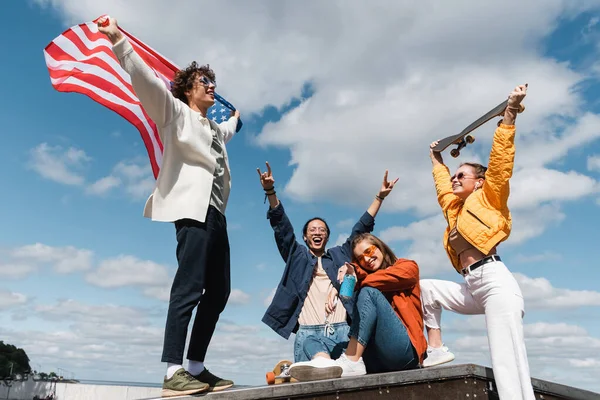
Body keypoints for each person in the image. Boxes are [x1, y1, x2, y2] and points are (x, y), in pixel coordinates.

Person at [98, 17, 240, 397]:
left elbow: (224, 131)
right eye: (203, 84)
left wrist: (235, 122)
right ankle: (172, 371)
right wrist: (118, 39)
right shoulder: (175, 114)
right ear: (188, 92)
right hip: (192, 212)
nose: (212, 88)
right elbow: (149, 84)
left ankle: (195, 367)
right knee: (189, 287)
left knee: (220, 292)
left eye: (213, 84)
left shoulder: (211, 128)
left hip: (217, 216)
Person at [420, 84, 535, 399]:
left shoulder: (490, 196)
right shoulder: (454, 209)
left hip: (495, 282)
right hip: (470, 285)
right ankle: (436, 349)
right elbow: (443, 188)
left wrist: (509, 115)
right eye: (454, 176)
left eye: (462, 176)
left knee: (506, 358)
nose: (455, 180)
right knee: (426, 289)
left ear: (479, 182)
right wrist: (436, 158)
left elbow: (500, 164)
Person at [257, 162, 398, 367]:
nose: (317, 233)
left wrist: (380, 197)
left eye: (322, 230)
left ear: (327, 236)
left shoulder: (340, 255)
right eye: (312, 230)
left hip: (342, 330)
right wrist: (270, 191)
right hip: (307, 332)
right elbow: (282, 227)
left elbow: (362, 229)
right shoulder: (297, 256)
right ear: (305, 237)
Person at [287, 233, 427, 381]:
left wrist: (353, 282)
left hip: (405, 353)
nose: (367, 259)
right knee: (311, 339)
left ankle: (351, 361)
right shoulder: (365, 277)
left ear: (380, 247)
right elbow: (356, 276)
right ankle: (326, 363)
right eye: (360, 258)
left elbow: (385, 278)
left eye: (369, 251)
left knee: (368, 293)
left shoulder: (407, 266)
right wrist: (350, 274)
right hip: (375, 359)